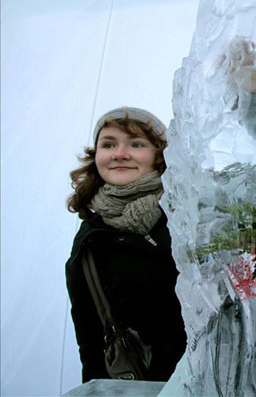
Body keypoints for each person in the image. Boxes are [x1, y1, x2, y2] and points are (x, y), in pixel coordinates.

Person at [65, 107, 186, 383]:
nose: (120, 153)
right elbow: (94, 351)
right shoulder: (90, 242)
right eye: (108, 144)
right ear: (95, 156)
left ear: (159, 155)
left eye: (136, 144)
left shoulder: (191, 212)